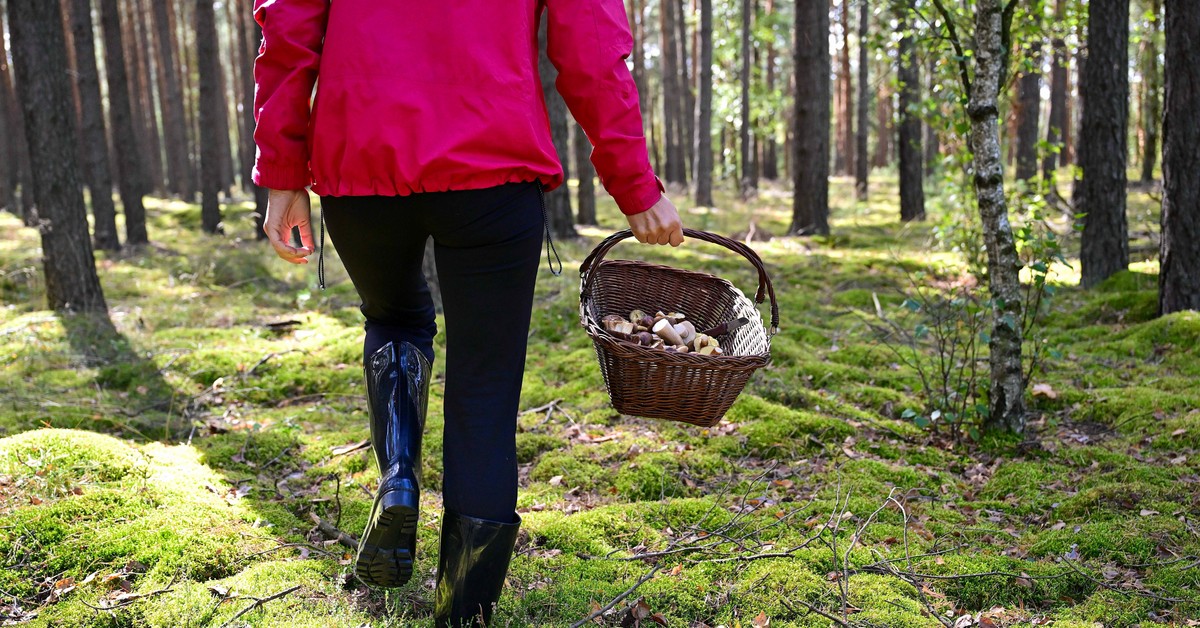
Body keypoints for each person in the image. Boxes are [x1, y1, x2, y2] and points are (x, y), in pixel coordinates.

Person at [251, 0, 683, 625]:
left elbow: (288, 34)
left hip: (361, 162)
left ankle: (399, 476)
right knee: (485, 385)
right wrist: (635, 184)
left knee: (394, 319)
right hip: (493, 166)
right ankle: (463, 613)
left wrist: (283, 173)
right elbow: (591, 48)